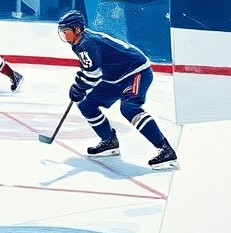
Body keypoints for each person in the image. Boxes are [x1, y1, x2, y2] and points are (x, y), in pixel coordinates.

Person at [57, 9, 178, 170]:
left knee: (129, 107)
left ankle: (165, 149)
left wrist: (79, 87)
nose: (65, 36)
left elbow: (93, 74)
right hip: (115, 78)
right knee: (87, 105)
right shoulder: (79, 44)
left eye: (67, 31)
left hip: (136, 72)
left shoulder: (87, 43)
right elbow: (89, 69)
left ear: (77, 28)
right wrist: (79, 86)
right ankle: (109, 142)